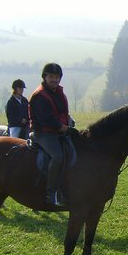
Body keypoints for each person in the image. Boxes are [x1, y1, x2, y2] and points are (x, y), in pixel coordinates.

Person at [29, 62, 74, 207]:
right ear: (45, 77)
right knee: (58, 156)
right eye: (51, 76)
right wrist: (65, 129)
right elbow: (47, 120)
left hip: (58, 132)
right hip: (44, 133)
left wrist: (69, 121)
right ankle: (50, 193)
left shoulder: (59, 93)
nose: (54, 79)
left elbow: (62, 113)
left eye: (57, 77)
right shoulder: (39, 95)